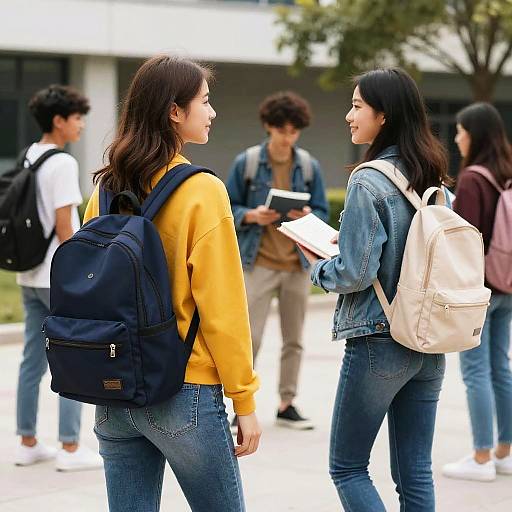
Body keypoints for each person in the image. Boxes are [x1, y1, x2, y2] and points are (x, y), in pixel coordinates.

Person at [83, 55, 261, 512]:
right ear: (174, 112)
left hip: (113, 389)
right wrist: (244, 399)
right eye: (205, 100)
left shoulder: (103, 191)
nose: (212, 111)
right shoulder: (202, 191)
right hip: (184, 389)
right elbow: (222, 308)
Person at [301, 68, 451, 511]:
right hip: (428, 341)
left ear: (383, 115)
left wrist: (317, 267)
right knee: (415, 472)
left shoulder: (368, 180)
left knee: (347, 467)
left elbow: (356, 273)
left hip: (378, 340)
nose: (349, 116)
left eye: (357, 106)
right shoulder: (434, 180)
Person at [226, 91, 329, 430]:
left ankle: (287, 404)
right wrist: (253, 215)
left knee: (294, 339)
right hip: (259, 262)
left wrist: (309, 214)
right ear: (269, 126)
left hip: (296, 265)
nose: (288, 137)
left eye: (294, 131)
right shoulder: (249, 162)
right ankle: (241, 406)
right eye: (282, 129)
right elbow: (228, 207)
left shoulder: (308, 166)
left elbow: (323, 211)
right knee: (249, 338)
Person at [14, 85, 102, 471]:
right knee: (72, 359)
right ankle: (69, 448)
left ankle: (28, 441)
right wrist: (82, 275)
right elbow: (66, 227)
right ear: (59, 121)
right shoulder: (63, 163)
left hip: (29, 274)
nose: (81, 124)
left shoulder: (28, 156)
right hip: (56, 277)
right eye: (78, 117)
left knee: (32, 360)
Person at [442, 102, 512, 481]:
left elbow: (463, 238)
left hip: (479, 288)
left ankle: (481, 457)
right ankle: (505, 451)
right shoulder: (507, 173)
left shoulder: (472, 179)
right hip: (508, 282)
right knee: (500, 366)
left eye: (460, 130)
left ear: (475, 135)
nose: (457, 137)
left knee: (475, 371)